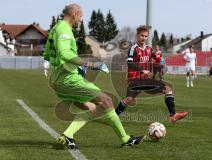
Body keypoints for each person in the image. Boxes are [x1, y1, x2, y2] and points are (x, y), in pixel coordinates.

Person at [43, 3, 145, 149]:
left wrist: (73, 67)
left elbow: (47, 54)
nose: (81, 20)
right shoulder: (63, 29)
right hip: (68, 79)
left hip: (58, 78)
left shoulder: (55, 29)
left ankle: (67, 136)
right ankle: (125, 139)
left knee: (92, 107)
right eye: (81, 17)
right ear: (75, 14)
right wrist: (89, 64)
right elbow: (65, 53)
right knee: (107, 100)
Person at [115, 25, 188, 123]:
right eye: (142, 35)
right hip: (135, 80)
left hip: (146, 80)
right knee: (128, 99)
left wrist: (159, 64)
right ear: (137, 36)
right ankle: (114, 116)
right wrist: (142, 71)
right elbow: (129, 63)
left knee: (167, 90)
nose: (143, 38)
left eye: (145, 36)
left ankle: (173, 116)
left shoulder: (149, 49)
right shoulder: (133, 49)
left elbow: (156, 60)